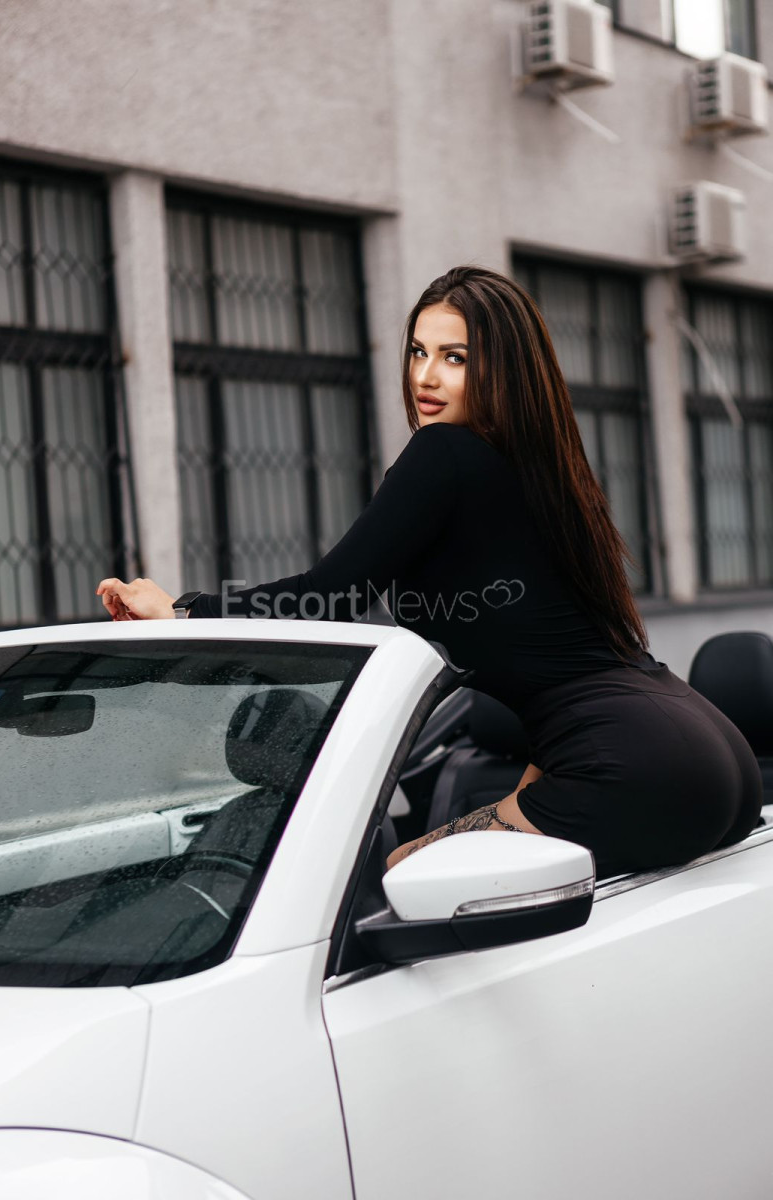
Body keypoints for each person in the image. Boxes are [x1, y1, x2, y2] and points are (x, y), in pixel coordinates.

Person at [97, 265, 763, 878]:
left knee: (398, 875)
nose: (426, 377)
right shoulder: (545, 470)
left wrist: (182, 611)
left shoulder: (444, 453)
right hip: (709, 753)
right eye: (419, 352)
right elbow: (568, 675)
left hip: (634, 764)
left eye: (455, 358)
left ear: (505, 371)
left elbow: (328, 596)